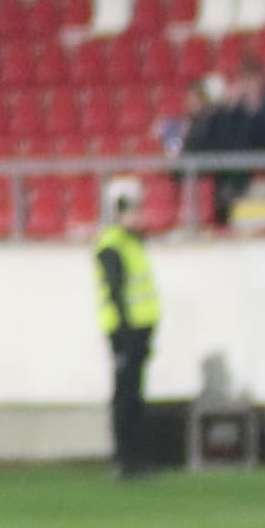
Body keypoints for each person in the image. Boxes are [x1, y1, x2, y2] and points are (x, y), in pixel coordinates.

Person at [92, 180, 163, 479]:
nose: (138, 216)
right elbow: (116, 291)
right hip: (125, 331)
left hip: (139, 329)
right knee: (125, 396)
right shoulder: (113, 244)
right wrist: (123, 334)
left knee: (134, 395)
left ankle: (135, 457)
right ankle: (123, 459)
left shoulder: (132, 242)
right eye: (131, 211)